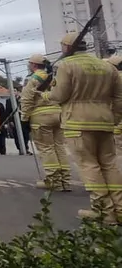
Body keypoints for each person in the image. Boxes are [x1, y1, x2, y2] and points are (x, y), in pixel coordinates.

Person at [49, 32, 122, 222]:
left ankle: (103, 211)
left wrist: (47, 95)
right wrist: (114, 117)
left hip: (77, 122)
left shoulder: (66, 65)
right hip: (105, 121)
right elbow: (119, 97)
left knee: (89, 165)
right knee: (109, 165)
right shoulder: (107, 66)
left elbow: (59, 95)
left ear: (66, 47)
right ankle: (120, 208)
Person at [19, 54, 70, 191]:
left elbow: (26, 99)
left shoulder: (33, 78)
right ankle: (65, 180)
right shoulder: (55, 76)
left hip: (41, 116)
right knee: (59, 147)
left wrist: (24, 118)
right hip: (58, 114)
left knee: (46, 148)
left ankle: (53, 181)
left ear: (34, 65)